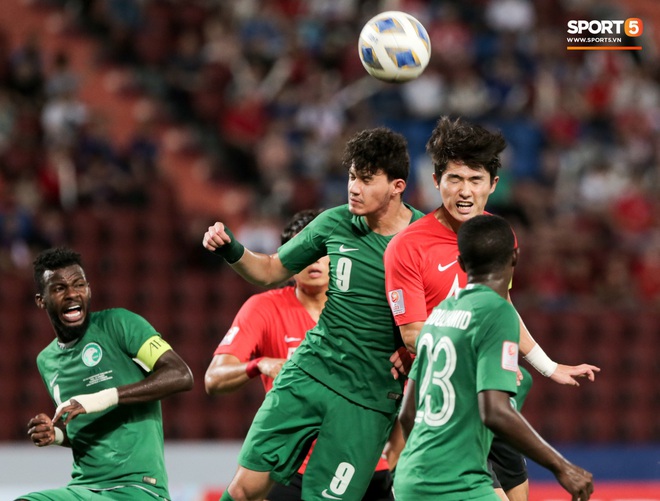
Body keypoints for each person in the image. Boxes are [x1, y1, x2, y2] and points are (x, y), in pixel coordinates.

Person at [383, 116, 600, 500]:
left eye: (475, 179)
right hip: (450, 403)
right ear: (436, 181)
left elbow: (504, 308)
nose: (464, 191)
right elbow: (414, 332)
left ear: (493, 184)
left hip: (493, 390)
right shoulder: (407, 246)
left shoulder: (496, 235)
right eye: (454, 179)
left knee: (520, 495)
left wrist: (548, 366)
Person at [202, 127, 425, 501]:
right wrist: (231, 249)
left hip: (367, 399)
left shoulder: (424, 241)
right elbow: (271, 269)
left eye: (366, 180)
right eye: (352, 177)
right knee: (243, 490)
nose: (353, 188)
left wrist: (414, 347)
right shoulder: (334, 222)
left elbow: (448, 313)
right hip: (309, 373)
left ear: (397, 185)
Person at [392, 214, 594, 500]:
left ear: (461, 264)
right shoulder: (497, 312)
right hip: (455, 482)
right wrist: (562, 467)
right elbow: (496, 410)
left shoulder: (441, 313)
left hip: (411, 476)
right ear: (515, 257)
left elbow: (408, 413)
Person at [205, 208, 396, 501]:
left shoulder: (369, 309)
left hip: (368, 466)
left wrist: (397, 450)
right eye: (306, 252)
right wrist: (259, 364)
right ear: (290, 256)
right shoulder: (264, 309)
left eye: (322, 251)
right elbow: (213, 378)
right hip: (296, 469)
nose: (314, 261)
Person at [17, 247, 194, 501]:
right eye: (59, 288)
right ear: (41, 300)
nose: (72, 294)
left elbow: (181, 375)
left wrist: (103, 397)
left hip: (139, 487)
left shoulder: (120, 324)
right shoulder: (46, 361)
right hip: (84, 488)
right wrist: (56, 435)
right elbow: (82, 429)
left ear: (89, 289)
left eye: (79, 284)